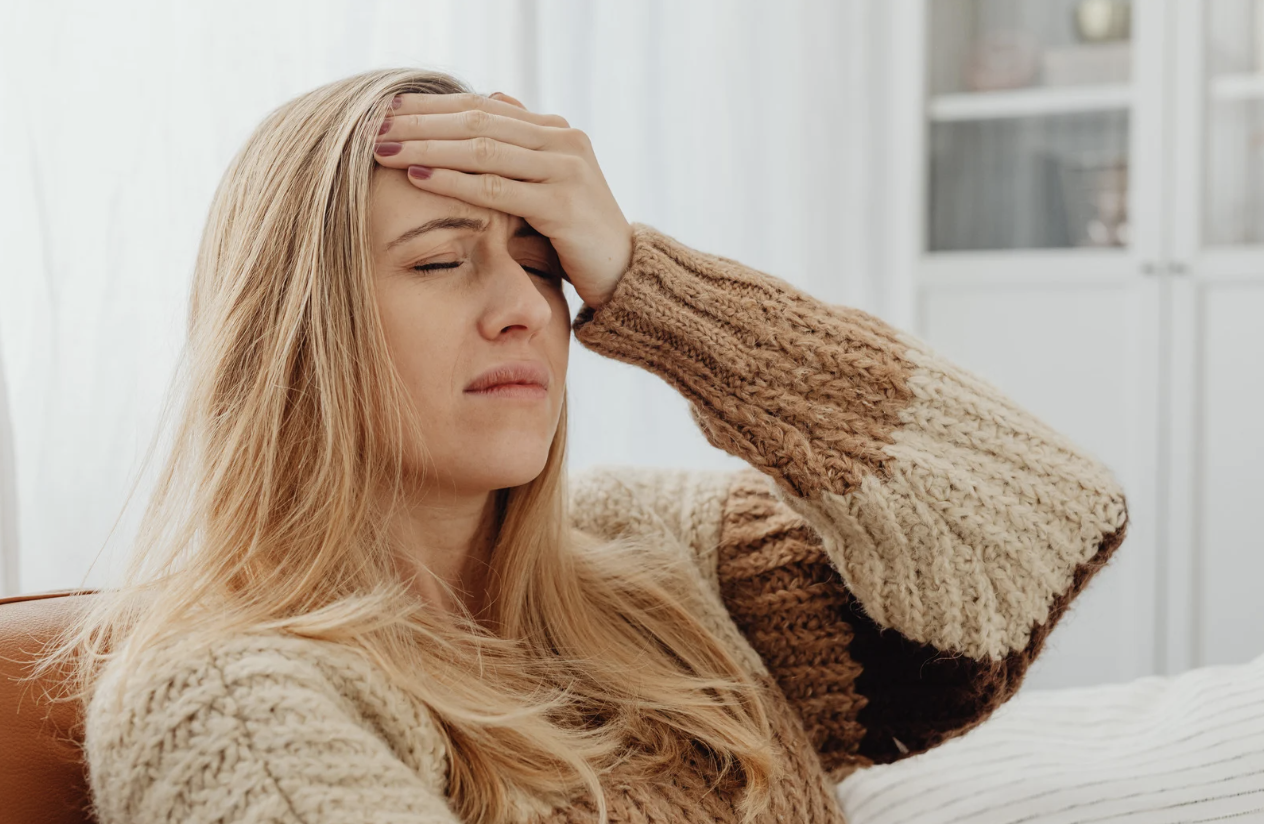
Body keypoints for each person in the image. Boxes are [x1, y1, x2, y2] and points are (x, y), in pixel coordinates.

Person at [45, 67, 1129, 824]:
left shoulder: (651, 556)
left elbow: (1037, 520)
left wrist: (645, 279)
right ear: (294, 332)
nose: (525, 306)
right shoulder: (227, 695)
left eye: (542, 258)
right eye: (438, 262)